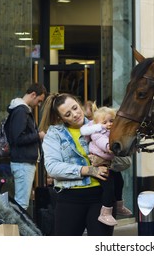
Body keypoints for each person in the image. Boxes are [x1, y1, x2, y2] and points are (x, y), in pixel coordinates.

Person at [39, 93, 114, 236]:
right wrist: (88, 170)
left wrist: (106, 161)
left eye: (75, 108)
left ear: (79, 103)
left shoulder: (100, 125)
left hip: (101, 198)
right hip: (69, 198)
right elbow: (52, 168)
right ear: (61, 118)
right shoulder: (54, 135)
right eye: (67, 114)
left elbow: (125, 161)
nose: (74, 114)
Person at [80, 106, 132, 227]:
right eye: (105, 122)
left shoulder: (112, 132)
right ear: (98, 124)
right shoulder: (97, 133)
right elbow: (102, 142)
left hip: (110, 163)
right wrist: (109, 146)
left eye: (111, 121)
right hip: (100, 163)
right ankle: (105, 212)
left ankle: (119, 205)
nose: (109, 124)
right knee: (109, 187)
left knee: (120, 182)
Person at [4, 83, 47, 210]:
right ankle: (16, 230)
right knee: (21, 204)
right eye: (39, 100)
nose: (38, 104)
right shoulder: (21, 111)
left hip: (22, 162)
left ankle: (15, 229)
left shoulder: (20, 109)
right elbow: (17, 138)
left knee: (21, 202)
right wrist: (38, 136)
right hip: (23, 162)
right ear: (33, 94)